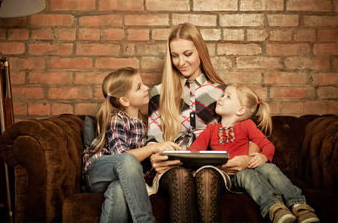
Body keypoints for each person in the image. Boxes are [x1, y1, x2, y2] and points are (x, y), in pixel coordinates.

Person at [147, 22, 258, 223]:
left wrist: (248, 157)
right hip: (171, 170)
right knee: (180, 176)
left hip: (211, 169)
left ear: (200, 52)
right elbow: (152, 139)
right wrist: (154, 157)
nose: (181, 61)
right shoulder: (158, 92)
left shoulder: (220, 93)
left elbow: (248, 132)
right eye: (175, 55)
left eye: (187, 54)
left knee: (206, 175)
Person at [189, 84, 320, 223]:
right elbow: (194, 151)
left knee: (270, 168)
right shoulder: (211, 129)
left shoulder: (247, 125)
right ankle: (274, 208)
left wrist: (263, 156)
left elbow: (267, 145)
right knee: (246, 174)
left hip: (251, 165)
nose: (220, 98)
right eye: (222, 95)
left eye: (228, 97)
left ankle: (300, 206)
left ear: (240, 110)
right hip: (232, 175)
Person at [83, 67, 180, 223]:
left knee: (118, 189)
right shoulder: (116, 119)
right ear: (124, 100)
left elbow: (137, 166)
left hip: (117, 178)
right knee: (128, 160)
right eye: (139, 87)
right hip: (97, 173)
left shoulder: (141, 122)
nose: (146, 88)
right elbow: (122, 158)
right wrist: (154, 147)